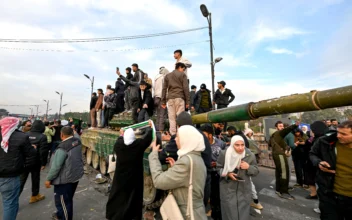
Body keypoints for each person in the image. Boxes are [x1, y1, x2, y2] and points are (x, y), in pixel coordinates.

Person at [149, 125, 207, 220]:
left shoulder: (186, 162)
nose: (175, 139)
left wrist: (154, 154)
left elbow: (158, 181)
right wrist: (175, 168)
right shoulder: (196, 158)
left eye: (178, 137)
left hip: (186, 214)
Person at [106, 122, 153, 220]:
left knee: (119, 196)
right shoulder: (138, 146)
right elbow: (147, 138)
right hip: (134, 178)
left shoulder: (118, 146)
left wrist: (121, 134)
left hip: (120, 178)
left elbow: (119, 139)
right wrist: (150, 127)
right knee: (134, 198)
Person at [310, 120, 352, 220]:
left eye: (343, 134)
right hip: (329, 195)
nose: (338, 136)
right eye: (338, 132)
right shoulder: (325, 141)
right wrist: (319, 162)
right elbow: (312, 154)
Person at [0, 117, 36, 220]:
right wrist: (33, 148)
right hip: (10, 176)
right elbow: (30, 154)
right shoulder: (22, 137)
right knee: (10, 204)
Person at [217, 135, 259, 220]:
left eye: (242, 145)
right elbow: (218, 168)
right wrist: (227, 174)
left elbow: (256, 171)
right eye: (237, 145)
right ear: (232, 145)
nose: (240, 148)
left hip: (243, 190)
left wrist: (248, 167)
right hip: (228, 189)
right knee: (230, 214)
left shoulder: (249, 155)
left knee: (243, 214)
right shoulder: (224, 154)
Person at [45, 126, 84, 220]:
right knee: (67, 199)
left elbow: (56, 167)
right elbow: (77, 135)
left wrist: (48, 179)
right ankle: (59, 215)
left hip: (64, 181)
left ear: (61, 135)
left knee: (64, 204)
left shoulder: (62, 148)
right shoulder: (77, 141)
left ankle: (63, 217)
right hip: (75, 177)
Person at [200, 124, 226, 220]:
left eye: (204, 134)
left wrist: (218, 163)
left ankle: (217, 213)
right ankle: (212, 209)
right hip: (206, 173)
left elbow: (226, 158)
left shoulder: (221, 144)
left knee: (218, 194)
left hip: (218, 173)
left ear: (210, 135)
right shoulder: (201, 144)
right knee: (208, 193)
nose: (201, 137)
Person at [20, 120, 48, 203]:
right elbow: (43, 152)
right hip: (36, 162)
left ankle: (14, 197)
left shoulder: (25, 134)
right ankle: (34, 196)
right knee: (35, 178)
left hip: (24, 161)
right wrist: (43, 163)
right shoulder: (42, 137)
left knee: (21, 180)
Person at [270, 120, 299, 200]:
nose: (282, 127)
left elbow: (269, 144)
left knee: (279, 172)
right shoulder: (279, 133)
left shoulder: (274, 134)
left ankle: (278, 189)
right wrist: (295, 125)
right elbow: (287, 130)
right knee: (284, 173)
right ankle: (283, 192)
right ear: (276, 127)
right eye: (280, 126)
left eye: (282, 126)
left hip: (277, 154)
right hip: (280, 155)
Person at [161, 62, 190, 135]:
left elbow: (164, 89)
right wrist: (187, 102)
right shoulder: (183, 75)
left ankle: (173, 136)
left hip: (170, 99)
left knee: (172, 118)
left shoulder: (167, 76)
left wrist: (163, 101)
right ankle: (180, 135)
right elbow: (186, 88)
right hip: (180, 98)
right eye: (183, 69)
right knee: (180, 118)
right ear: (180, 67)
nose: (183, 71)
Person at [302, 121, 328, 200]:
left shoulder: (319, 140)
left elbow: (311, 151)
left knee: (316, 180)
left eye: (312, 130)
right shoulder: (315, 138)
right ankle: (313, 193)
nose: (311, 131)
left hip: (317, 164)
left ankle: (316, 195)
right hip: (315, 163)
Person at [154, 67, 169, 131]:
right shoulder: (163, 78)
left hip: (156, 98)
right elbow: (165, 89)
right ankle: (161, 131)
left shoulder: (156, 78)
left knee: (158, 115)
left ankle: (157, 130)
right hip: (161, 98)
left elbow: (154, 88)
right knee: (162, 115)